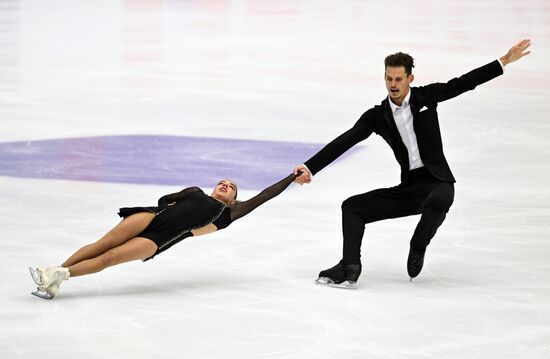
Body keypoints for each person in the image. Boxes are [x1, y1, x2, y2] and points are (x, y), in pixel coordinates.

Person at [293, 40, 531, 288]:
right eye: (389, 79)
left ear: (410, 78)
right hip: (410, 189)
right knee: (352, 207)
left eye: (398, 79)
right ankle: (350, 266)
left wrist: (503, 61)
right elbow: (345, 141)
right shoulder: (377, 116)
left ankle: (418, 245)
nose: (393, 85)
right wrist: (310, 168)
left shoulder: (426, 97)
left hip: (438, 183)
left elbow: (464, 83)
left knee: (440, 198)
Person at [29, 172, 300, 299]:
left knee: (110, 257)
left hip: (162, 238)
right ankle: (55, 272)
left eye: (230, 187)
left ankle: (60, 276)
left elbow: (266, 195)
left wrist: (291, 177)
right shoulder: (195, 191)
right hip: (152, 216)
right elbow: (166, 199)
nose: (225, 185)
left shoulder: (229, 213)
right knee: (104, 243)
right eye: (222, 182)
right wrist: (165, 208)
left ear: (233, 199)